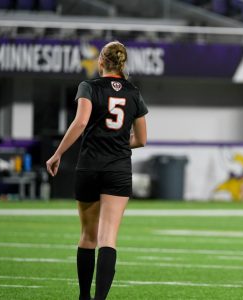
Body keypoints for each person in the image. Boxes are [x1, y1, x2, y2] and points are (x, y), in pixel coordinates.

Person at [46, 41, 148, 300]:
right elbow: (142, 139)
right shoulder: (133, 92)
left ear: (100, 62)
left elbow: (80, 122)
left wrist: (58, 154)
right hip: (118, 168)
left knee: (87, 237)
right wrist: (117, 142)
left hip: (89, 166)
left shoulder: (88, 87)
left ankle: (83, 297)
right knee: (108, 239)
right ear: (122, 63)